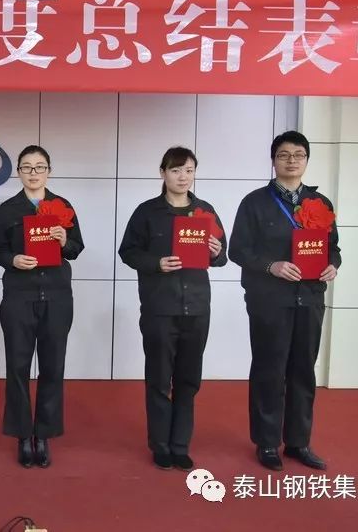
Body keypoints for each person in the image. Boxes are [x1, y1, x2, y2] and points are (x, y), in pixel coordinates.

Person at [229, 131, 341, 472]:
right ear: (273, 160)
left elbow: (333, 247)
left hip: (310, 298)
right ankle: (266, 442)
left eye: (298, 154)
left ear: (306, 160)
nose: (291, 160)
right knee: (270, 369)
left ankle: (298, 442)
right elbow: (238, 250)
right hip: (269, 300)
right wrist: (271, 266)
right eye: (284, 154)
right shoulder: (255, 202)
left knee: (303, 371)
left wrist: (333, 265)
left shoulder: (320, 204)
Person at [118, 147, 227, 471]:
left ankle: (180, 445)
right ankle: (160, 445)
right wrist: (157, 263)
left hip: (197, 307)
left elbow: (221, 257)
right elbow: (128, 252)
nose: (183, 177)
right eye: (176, 170)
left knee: (188, 380)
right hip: (160, 308)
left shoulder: (205, 212)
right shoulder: (147, 213)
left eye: (189, 171)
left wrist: (216, 251)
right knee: (159, 378)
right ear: (163, 173)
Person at [0, 145, 84, 469]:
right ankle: (22, 434)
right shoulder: (8, 210)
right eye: (27, 167)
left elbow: (76, 248)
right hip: (19, 297)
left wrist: (64, 240)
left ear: (49, 171)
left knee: (52, 367)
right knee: (17, 367)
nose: (33, 173)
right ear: (18, 171)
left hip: (57, 297)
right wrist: (13, 259)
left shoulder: (63, 206)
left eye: (40, 167)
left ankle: (43, 434)